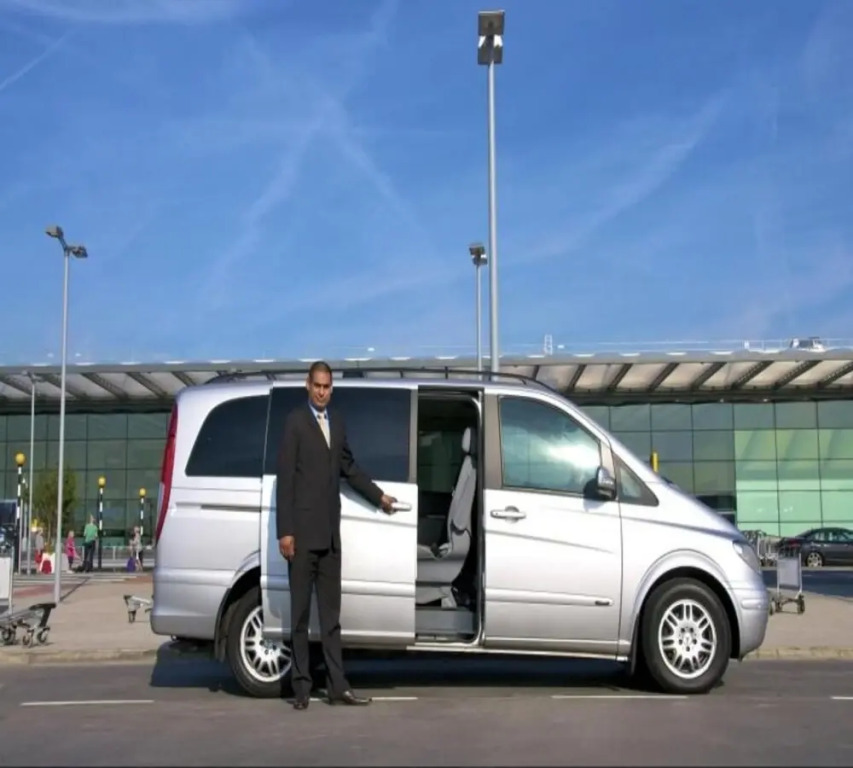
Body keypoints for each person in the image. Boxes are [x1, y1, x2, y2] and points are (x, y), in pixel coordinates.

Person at [276, 360, 397, 710]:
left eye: (327, 386)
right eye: (317, 386)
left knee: (331, 620)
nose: (321, 392)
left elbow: (349, 468)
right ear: (307, 385)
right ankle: (301, 688)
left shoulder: (338, 422)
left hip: (330, 538)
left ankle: (337, 687)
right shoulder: (295, 422)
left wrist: (379, 497)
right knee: (300, 618)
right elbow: (285, 479)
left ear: (332, 388)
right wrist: (285, 531)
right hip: (301, 538)